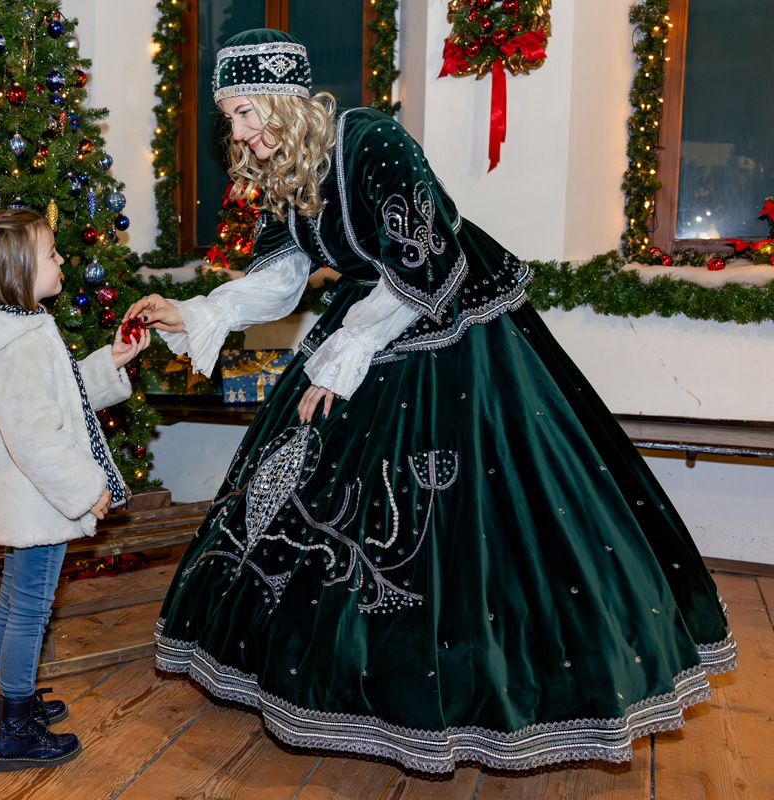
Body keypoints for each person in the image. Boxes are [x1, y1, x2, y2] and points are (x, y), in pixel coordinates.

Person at [126, 29, 736, 773]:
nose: (241, 135)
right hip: (366, 318)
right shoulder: (284, 173)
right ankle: (343, 681)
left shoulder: (371, 141)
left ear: (286, 102)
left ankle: (485, 688)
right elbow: (279, 278)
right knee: (316, 481)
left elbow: (422, 262)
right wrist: (190, 313)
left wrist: (344, 357)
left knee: (471, 508)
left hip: (448, 321)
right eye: (232, 120)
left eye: (248, 113)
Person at [0, 208, 149, 772]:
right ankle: (14, 728)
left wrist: (110, 362)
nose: (63, 260)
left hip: (22, 498)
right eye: (52, 254)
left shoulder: (17, 333)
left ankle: (0, 697)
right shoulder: (22, 344)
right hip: (38, 500)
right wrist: (87, 490)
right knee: (32, 605)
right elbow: (37, 436)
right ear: (17, 271)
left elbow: (56, 394)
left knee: (14, 597)